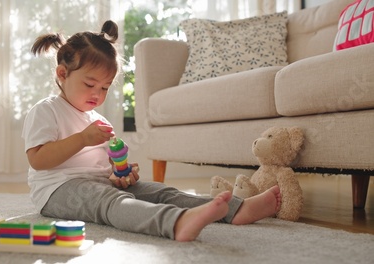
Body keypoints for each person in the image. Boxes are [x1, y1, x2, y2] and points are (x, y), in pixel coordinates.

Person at [22, 20, 282, 242]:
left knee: (160, 192)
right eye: (90, 83)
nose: (97, 93)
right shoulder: (46, 111)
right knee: (112, 204)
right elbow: (38, 160)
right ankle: (176, 223)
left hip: (100, 184)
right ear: (62, 73)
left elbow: (105, 168)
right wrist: (82, 139)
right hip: (57, 191)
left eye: (104, 87)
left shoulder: (97, 120)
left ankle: (236, 210)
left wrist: (121, 174)